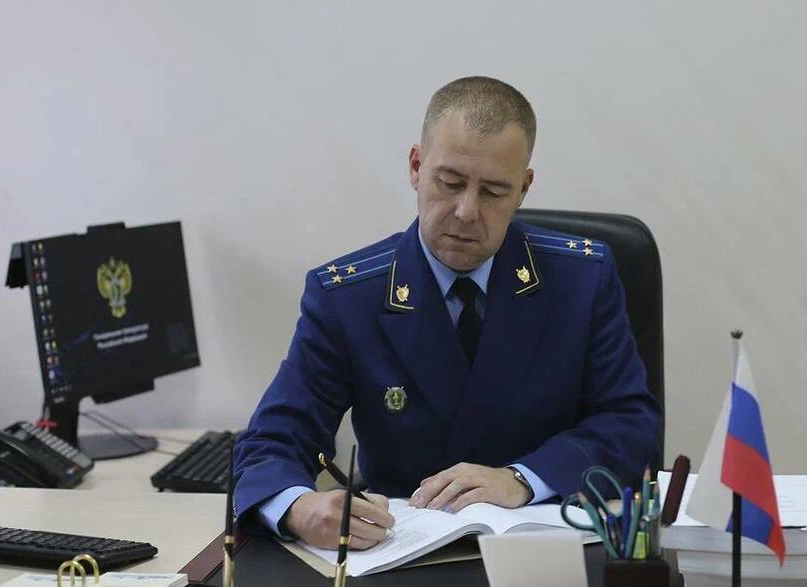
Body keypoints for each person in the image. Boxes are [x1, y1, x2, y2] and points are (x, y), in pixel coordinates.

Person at [233, 76, 660, 550]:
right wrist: (298, 508)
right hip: (400, 552)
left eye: (493, 192)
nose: (465, 212)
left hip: (543, 546)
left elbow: (631, 424)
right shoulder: (348, 297)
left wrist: (523, 478)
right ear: (416, 167)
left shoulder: (581, 279)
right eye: (450, 183)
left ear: (523, 188)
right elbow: (272, 440)